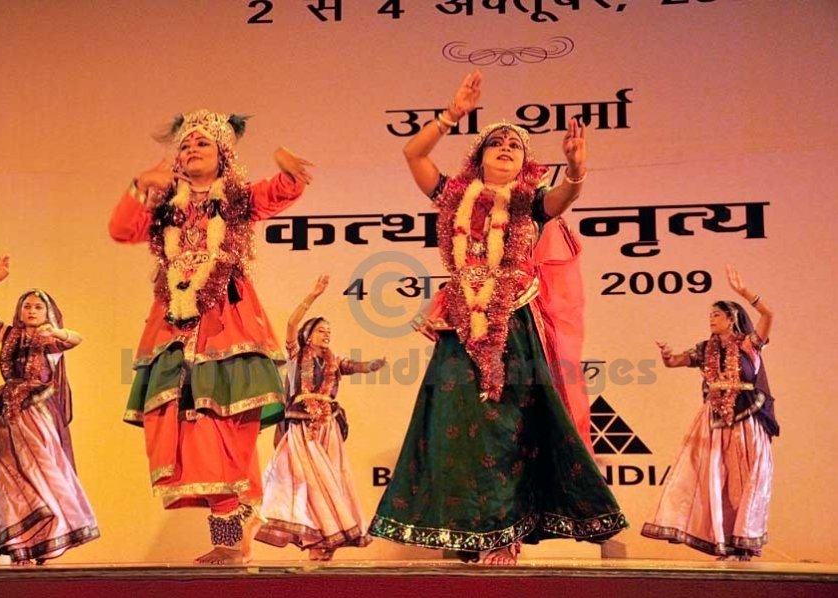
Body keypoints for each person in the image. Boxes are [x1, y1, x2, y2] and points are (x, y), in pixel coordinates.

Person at [370, 72, 627, 565]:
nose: (506, 148)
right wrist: (451, 114)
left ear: (524, 163)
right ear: (480, 156)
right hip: (460, 325)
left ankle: (505, 533)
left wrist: (576, 169)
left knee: (510, 427)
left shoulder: (530, 203)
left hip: (515, 321)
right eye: (497, 143)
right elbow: (413, 155)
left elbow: (564, 198)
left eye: (515, 145)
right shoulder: (453, 196)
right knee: (456, 426)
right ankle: (464, 529)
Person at [108, 109, 313, 564]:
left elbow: (281, 191)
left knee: (229, 425)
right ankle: (236, 529)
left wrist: (289, 170)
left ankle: (233, 535)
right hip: (174, 325)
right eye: (184, 144)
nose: (191, 149)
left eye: (202, 142)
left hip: (228, 322)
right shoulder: (164, 206)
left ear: (223, 153)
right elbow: (122, 229)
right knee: (189, 424)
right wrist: (141, 184)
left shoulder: (237, 198)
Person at [642, 266, 777, 560]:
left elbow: (768, 315)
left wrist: (745, 292)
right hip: (713, 420)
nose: (711, 319)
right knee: (716, 480)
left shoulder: (749, 344)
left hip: (746, 418)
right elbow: (675, 362)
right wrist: (666, 355)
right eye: (710, 316)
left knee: (746, 480)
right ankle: (723, 542)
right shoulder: (706, 349)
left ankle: (744, 543)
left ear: (731, 318)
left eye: (716, 315)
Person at [0, 255, 99, 565]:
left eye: (38, 307)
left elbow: (77, 338)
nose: (31, 311)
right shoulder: (8, 335)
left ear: (48, 313)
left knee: (43, 471)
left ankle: (47, 537)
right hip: (8, 413)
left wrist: (56, 332)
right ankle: (22, 548)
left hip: (37, 413)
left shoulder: (49, 339)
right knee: (10, 477)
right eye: (27, 306)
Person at [255, 275, 387, 561]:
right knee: (307, 481)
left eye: (329, 331)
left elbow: (354, 366)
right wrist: (313, 295)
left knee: (330, 482)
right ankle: (315, 537)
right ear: (308, 335)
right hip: (302, 426)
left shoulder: (333, 360)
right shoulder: (296, 355)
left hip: (328, 426)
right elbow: (291, 324)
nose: (326, 334)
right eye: (321, 330)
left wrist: (374, 365)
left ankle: (326, 540)